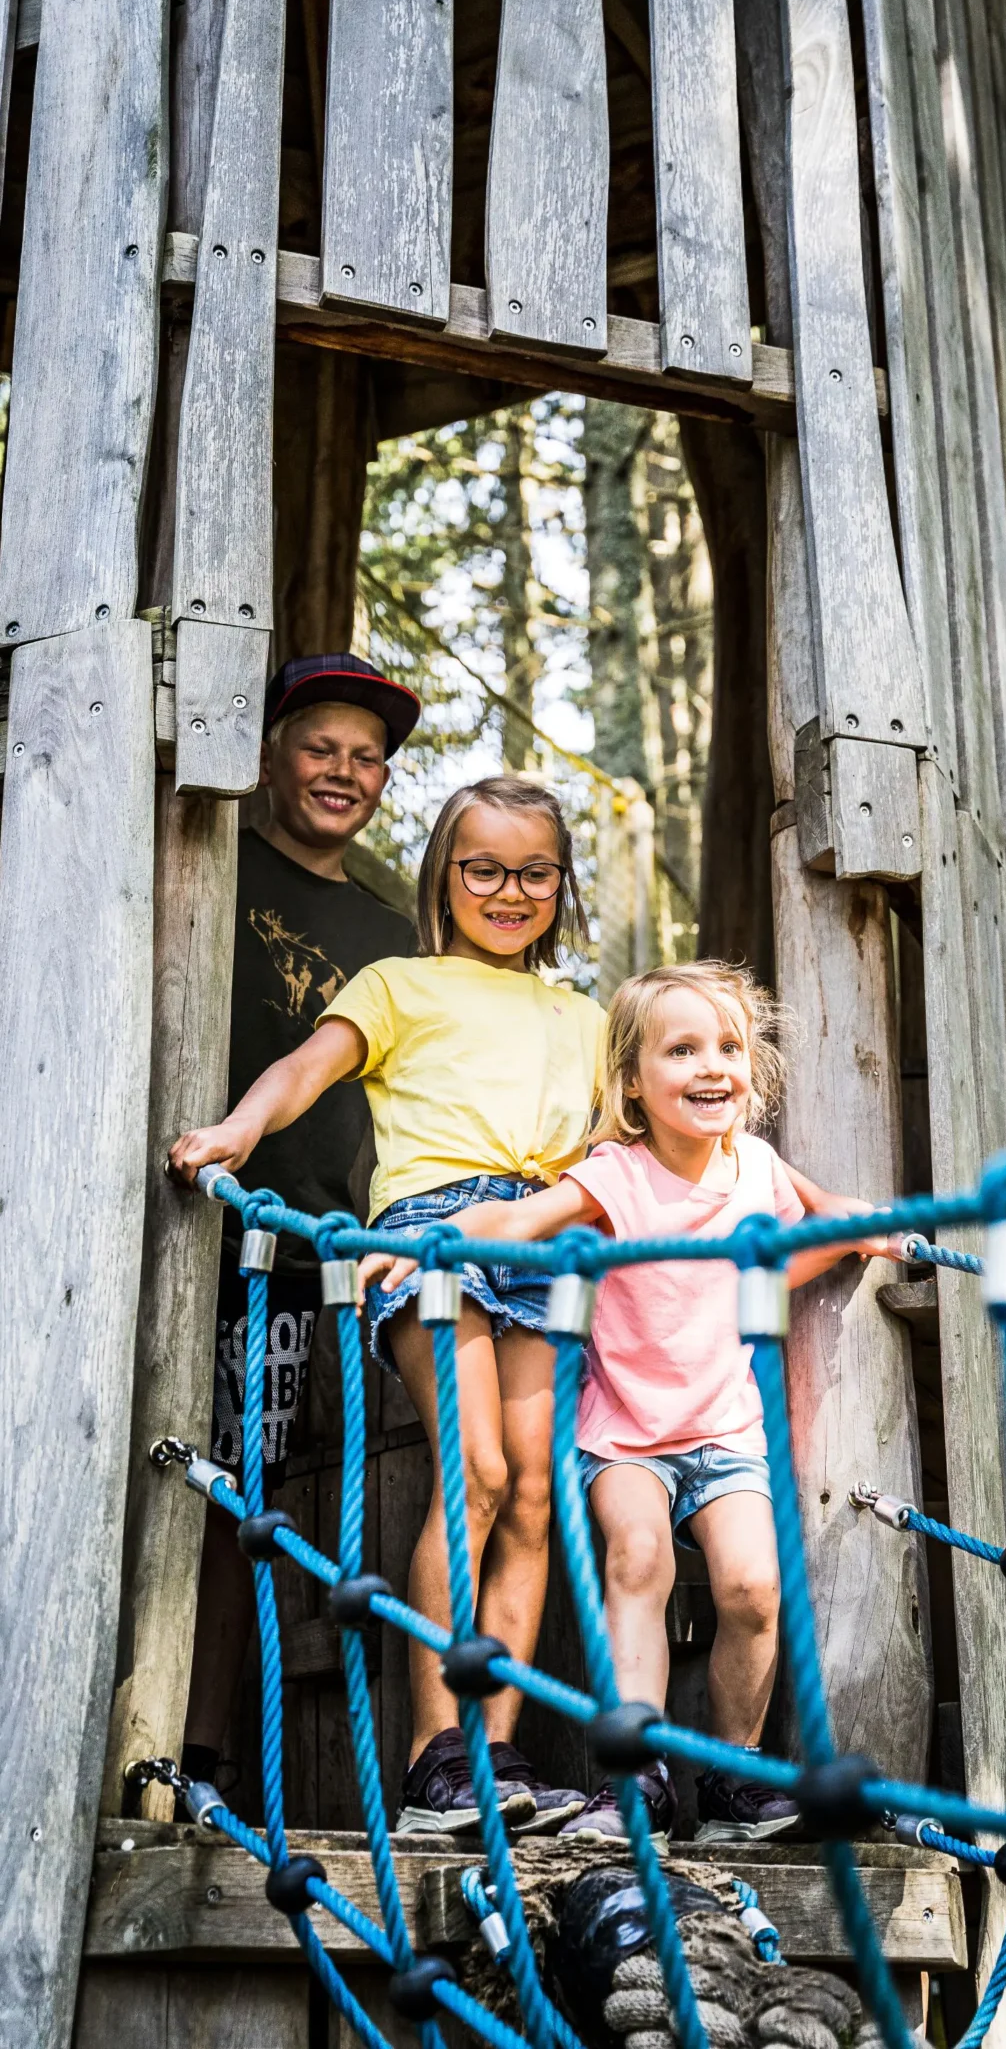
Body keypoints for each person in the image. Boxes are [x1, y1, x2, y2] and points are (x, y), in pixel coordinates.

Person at [362, 960, 898, 1845]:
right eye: (681, 1050)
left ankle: (733, 1782)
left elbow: (810, 1227)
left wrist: (859, 1226)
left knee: (753, 1589)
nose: (711, 1066)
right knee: (639, 1559)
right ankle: (636, 1780)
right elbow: (517, 1224)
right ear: (632, 1084)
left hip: (726, 1430)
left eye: (729, 1047)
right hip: (627, 1438)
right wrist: (432, 1242)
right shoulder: (617, 1176)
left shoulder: (758, 1168)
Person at [171, 775, 605, 1836]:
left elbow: (618, 1144)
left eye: (534, 871)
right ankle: (432, 1756)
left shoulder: (587, 1014)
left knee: (540, 1494)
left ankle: (494, 1754)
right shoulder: (399, 984)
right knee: (481, 1473)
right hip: (432, 1230)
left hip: (550, 1232)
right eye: (485, 869)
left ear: (563, 884)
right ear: (443, 879)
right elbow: (309, 1068)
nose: (510, 891)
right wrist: (236, 1130)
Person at [178, 651, 422, 1791]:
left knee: (252, 1497)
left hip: (321, 1257)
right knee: (186, 1480)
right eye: (319, 746)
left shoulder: (393, 933)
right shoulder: (199, 864)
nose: (343, 772)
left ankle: (204, 1755)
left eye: (366, 757)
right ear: (269, 754)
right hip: (186, 1223)